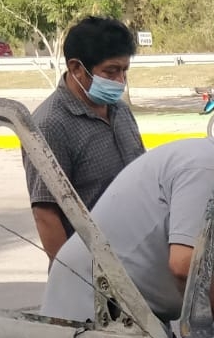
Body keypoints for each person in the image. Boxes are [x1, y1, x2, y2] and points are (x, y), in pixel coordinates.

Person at [39, 115, 214, 327]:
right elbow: (185, 266)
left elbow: (202, 272)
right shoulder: (205, 168)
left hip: (115, 304)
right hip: (87, 303)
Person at [24, 17, 146, 261]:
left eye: (124, 71)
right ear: (76, 68)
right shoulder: (50, 124)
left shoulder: (119, 111)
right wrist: (72, 278)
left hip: (138, 254)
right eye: (111, 72)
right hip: (94, 267)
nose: (120, 81)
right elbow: (46, 214)